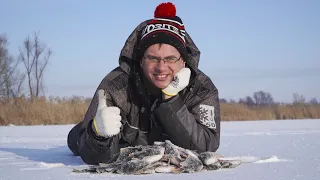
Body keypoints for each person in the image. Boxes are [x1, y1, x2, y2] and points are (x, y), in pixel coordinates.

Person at [67, 2, 221, 165]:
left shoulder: (201, 89)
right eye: (153, 58)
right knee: (78, 138)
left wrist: (171, 100)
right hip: (119, 144)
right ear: (141, 61)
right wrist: (97, 134)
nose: (161, 68)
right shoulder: (116, 85)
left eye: (170, 58)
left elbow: (206, 147)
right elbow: (96, 159)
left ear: (183, 61)